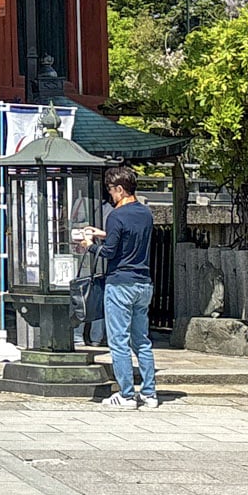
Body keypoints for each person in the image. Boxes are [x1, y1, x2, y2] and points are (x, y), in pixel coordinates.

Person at [94, 165, 158, 410]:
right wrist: (104, 234)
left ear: (119, 189)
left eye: (111, 191)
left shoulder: (116, 216)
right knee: (141, 340)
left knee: (119, 341)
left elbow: (110, 252)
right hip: (143, 283)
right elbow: (129, 238)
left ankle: (127, 395)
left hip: (120, 282)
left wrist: (89, 244)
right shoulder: (145, 213)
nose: (110, 196)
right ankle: (150, 394)